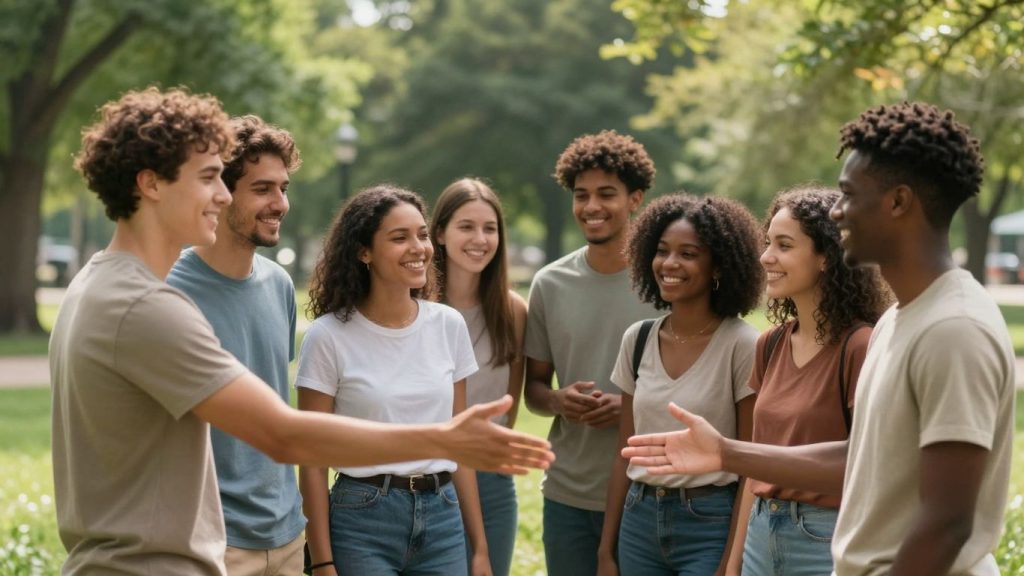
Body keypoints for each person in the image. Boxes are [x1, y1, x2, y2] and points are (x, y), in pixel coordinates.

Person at [50, 87, 553, 575]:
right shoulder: (145, 305)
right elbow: (283, 434)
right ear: (151, 184)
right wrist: (443, 437)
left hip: (237, 544)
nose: (222, 195)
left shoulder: (101, 282)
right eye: (208, 178)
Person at [623, 102, 1015, 576]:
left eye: (848, 194)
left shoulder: (954, 329)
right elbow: (864, 455)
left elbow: (949, 521)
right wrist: (727, 453)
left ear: (898, 202)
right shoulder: (899, 320)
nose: (836, 210)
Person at [296, 185, 492, 576]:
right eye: (399, 238)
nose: (418, 247)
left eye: (422, 234)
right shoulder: (328, 335)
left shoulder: (447, 324)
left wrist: (480, 549)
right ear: (363, 251)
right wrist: (322, 561)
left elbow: (460, 444)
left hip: (443, 517)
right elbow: (312, 460)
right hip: (362, 519)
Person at [166, 115, 305, 575]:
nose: (281, 203)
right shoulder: (168, 290)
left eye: (284, 188)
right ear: (220, 193)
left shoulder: (280, 285)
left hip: (287, 534)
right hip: (212, 539)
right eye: (263, 189)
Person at [598, 194, 765, 576]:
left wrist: (731, 561)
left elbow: (749, 466)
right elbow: (624, 455)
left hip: (709, 521)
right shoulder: (637, 339)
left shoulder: (742, 344)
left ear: (718, 266)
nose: (670, 264)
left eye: (688, 254)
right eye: (662, 251)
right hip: (638, 520)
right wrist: (606, 550)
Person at [524, 129, 659, 575]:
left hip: (649, 491)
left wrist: (630, 407)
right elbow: (535, 390)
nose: (591, 207)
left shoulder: (667, 282)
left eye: (607, 194)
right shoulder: (549, 283)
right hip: (568, 494)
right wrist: (559, 401)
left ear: (635, 198)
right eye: (581, 195)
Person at [737, 186, 889, 575]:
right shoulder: (770, 344)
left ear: (825, 257)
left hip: (826, 537)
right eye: (767, 242)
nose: (765, 256)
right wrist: (734, 561)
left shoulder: (861, 346)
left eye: (784, 245)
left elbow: (873, 465)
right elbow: (757, 462)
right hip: (759, 528)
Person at [430, 177, 528, 576]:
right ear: (439, 233)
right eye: (466, 227)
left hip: (491, 481)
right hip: (429, 477)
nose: (480, 239)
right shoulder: (415, 308)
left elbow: (511, 403)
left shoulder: (513, 312)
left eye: (490, 228)